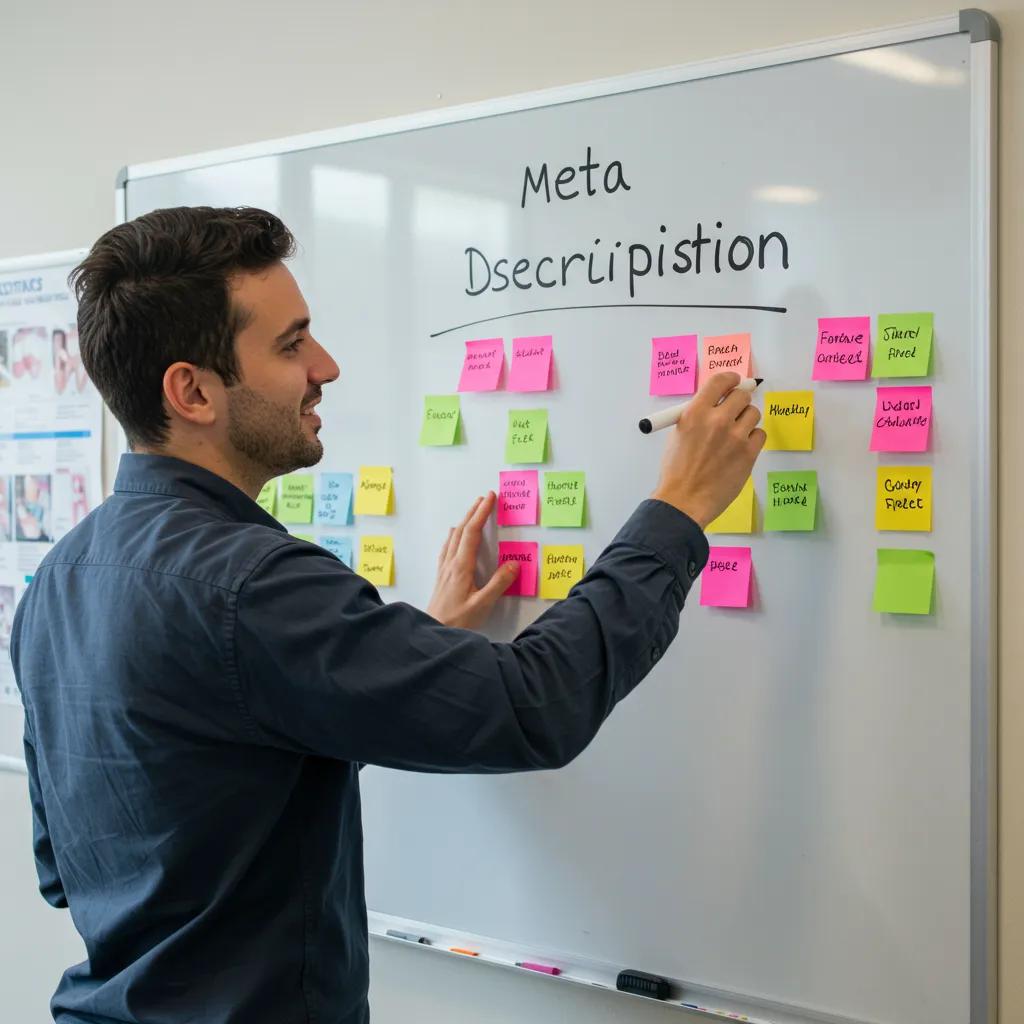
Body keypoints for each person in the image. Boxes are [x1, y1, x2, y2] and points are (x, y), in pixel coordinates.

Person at [11, 207, 765, 1024]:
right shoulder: (252, 586)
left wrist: (416, 655)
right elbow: (533, 705)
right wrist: (680, 506)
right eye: (291, 345)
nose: (326, 367)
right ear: (192, 391)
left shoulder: (58, 581)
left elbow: (77, 864)